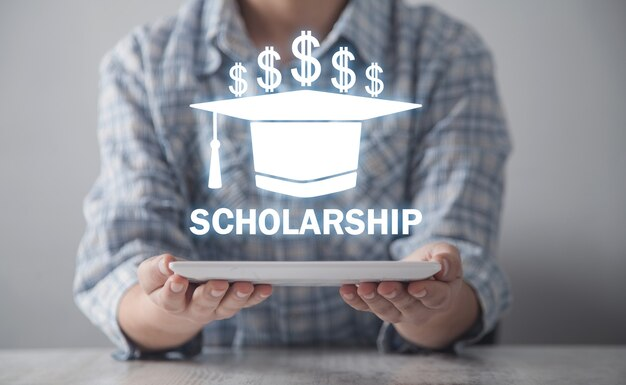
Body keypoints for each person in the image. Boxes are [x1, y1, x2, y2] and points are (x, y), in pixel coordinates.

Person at [74, 0, 511, 359]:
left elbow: (459, 265)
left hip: (397, 366)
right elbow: (128, 270)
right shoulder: (143, 63)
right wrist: (167, 310)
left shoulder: (446, 52)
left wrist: (432, 302)